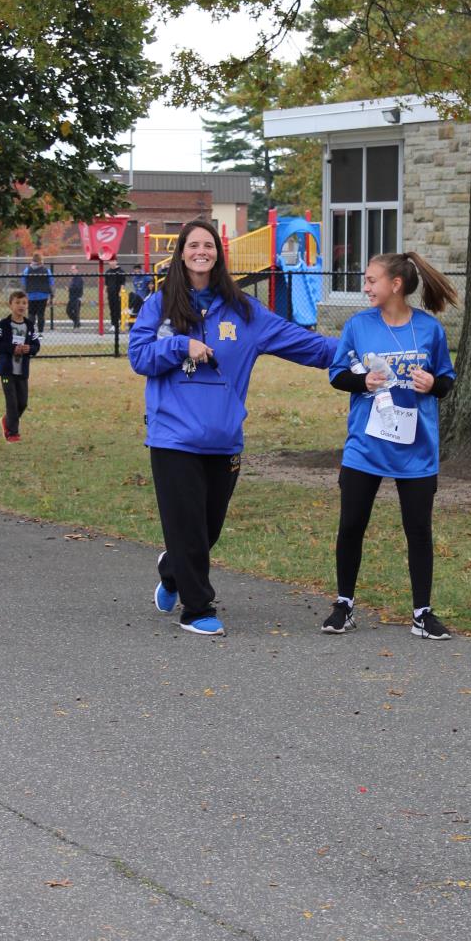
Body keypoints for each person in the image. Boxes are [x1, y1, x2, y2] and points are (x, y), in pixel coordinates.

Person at [128, 218, 337, 636]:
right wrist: (179, 345)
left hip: (223, 438)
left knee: (207, 530)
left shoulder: (244, 310)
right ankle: (197, 609)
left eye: (208, 245)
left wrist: (356, 348)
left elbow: (304, 343)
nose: (201, 252)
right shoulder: (160, 304)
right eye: (193, 245)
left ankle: (172, 569)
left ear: (218, 254)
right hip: (173, 437)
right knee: (188, 527)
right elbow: (139, 356)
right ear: (181, 253)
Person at [321, 252, 458, 640]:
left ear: (395, 285)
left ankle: (422, 614)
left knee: (418, 530)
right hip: (365, 444)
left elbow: (446, 380)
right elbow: (337, 374)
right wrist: (362, 382)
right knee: (351, 525)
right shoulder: (358, 325)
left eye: (371, 280)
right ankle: (343, 605)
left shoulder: (429, 329)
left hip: (416, 447)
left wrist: (432, 384)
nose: (365, 287)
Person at [0, 289, 40, 442]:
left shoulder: (30, 326)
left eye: (24, 303)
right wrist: (12, 348)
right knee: (12, 402)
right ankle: (12, 433)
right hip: (7, 371)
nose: (21, 306)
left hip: (22, 371)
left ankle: (7, 420)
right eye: (17, 303)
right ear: (10, 305)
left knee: (22, 403)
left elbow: (36, 345)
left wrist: (30, 349)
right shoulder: (3, 324)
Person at [21, 258, 54, 333]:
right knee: (41, 314)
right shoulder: (46, 270)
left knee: (31, 313)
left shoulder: (27, 270)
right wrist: (52, 294)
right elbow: (51, 282)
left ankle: (31, 332)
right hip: (43, 295)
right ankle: (40, 333)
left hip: (31, 295)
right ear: (41, 261)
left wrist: (25, 292)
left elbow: (23, 282)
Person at [104, 257, 126, 329]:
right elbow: (106, 284)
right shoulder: (108, 272)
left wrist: (120, 292)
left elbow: (122, 284)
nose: (112, 263)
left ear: (116, 262)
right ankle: (113, 324)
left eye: (113, 261)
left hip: (118, 294)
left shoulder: (121, 271)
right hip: (110, 294)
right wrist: (105, 293)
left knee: (118, 309)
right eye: (110, 261)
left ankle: (119, 323)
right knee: (112, 309)